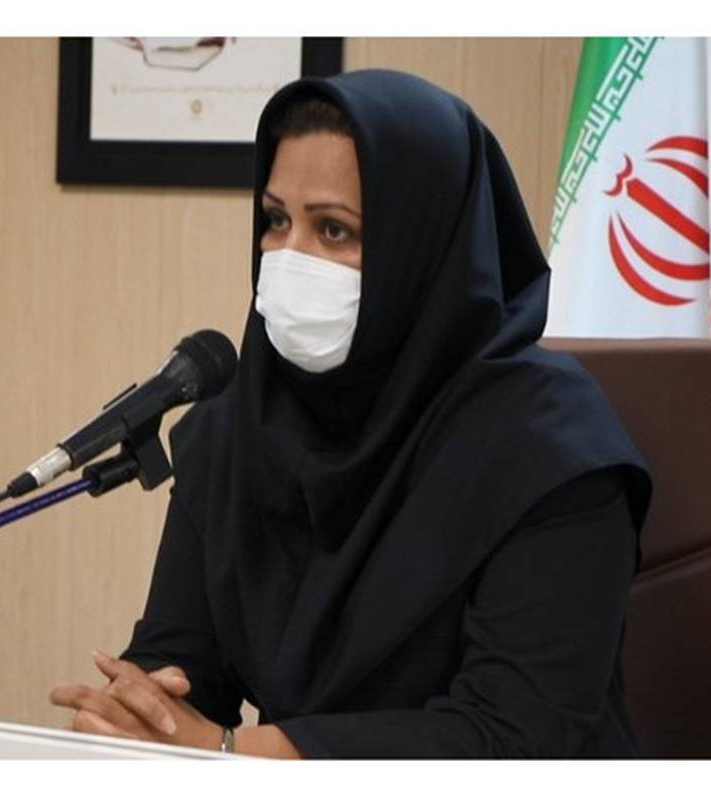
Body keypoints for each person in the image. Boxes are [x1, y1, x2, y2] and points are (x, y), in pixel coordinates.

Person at [49, 69, 652, 758]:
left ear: (425, 248)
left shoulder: (554, 449)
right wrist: (136, 721)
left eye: (334, 230)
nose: (288, 259)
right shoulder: (237, 426)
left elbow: (510, 737)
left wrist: (229, 752)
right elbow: (182, 668)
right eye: (276, 221)